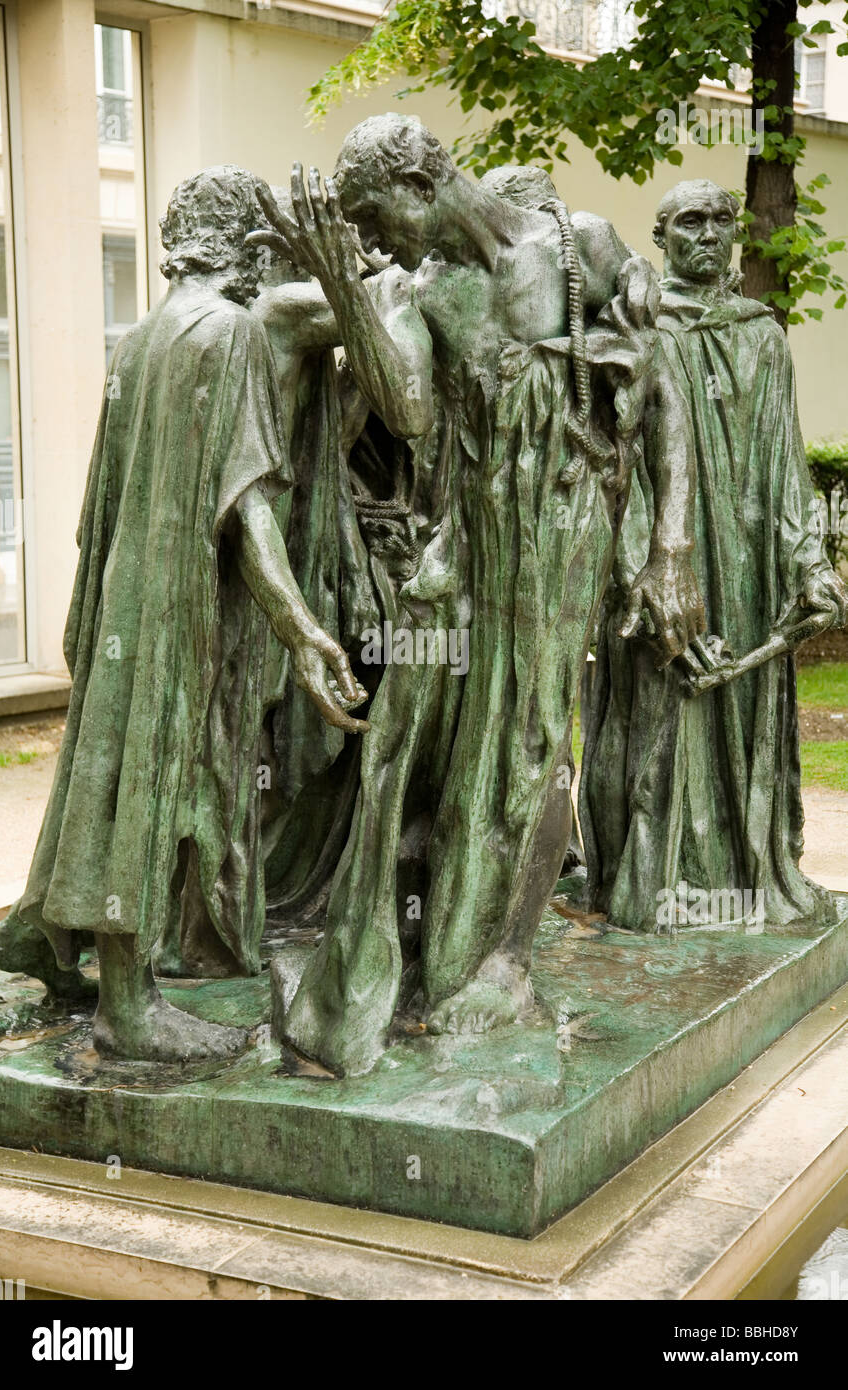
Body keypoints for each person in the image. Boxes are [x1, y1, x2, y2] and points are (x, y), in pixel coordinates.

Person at [249, 117, 705, 1075]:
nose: (375, 241)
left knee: (525, 746)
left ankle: (480, 968)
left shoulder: (580, 246)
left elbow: (660, 398)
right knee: (411, 739)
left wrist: (671, 541)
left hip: (560, 541)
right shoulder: (423, 289)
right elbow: (410, 411)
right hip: (467, 539)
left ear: (419, 180)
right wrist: (343, 285)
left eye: (376, 218)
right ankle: (399, 966)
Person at [0, 166, 365, 1060]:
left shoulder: (144, 334)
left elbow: (101, 496)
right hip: (180, 597)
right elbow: (250, 503)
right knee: (156, 778)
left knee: (112, 772)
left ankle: (62, 945)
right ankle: (129, 1007)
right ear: (245, 246)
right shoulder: (228, 331)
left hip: (127, 585)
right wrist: (303, 629)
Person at [580, 179, 848, 932]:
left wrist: (811, 562)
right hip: (666, 561)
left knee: (739, 717)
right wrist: (641, 566)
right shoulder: (635, 331)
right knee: (664, 719)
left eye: (720, 221)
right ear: (659, 238)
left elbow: (787, 463)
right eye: (688, 223)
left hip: (751, 566)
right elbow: (610, 466)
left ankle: (750, 879)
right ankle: (655, 887)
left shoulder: (764, 333)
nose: (706, 235)